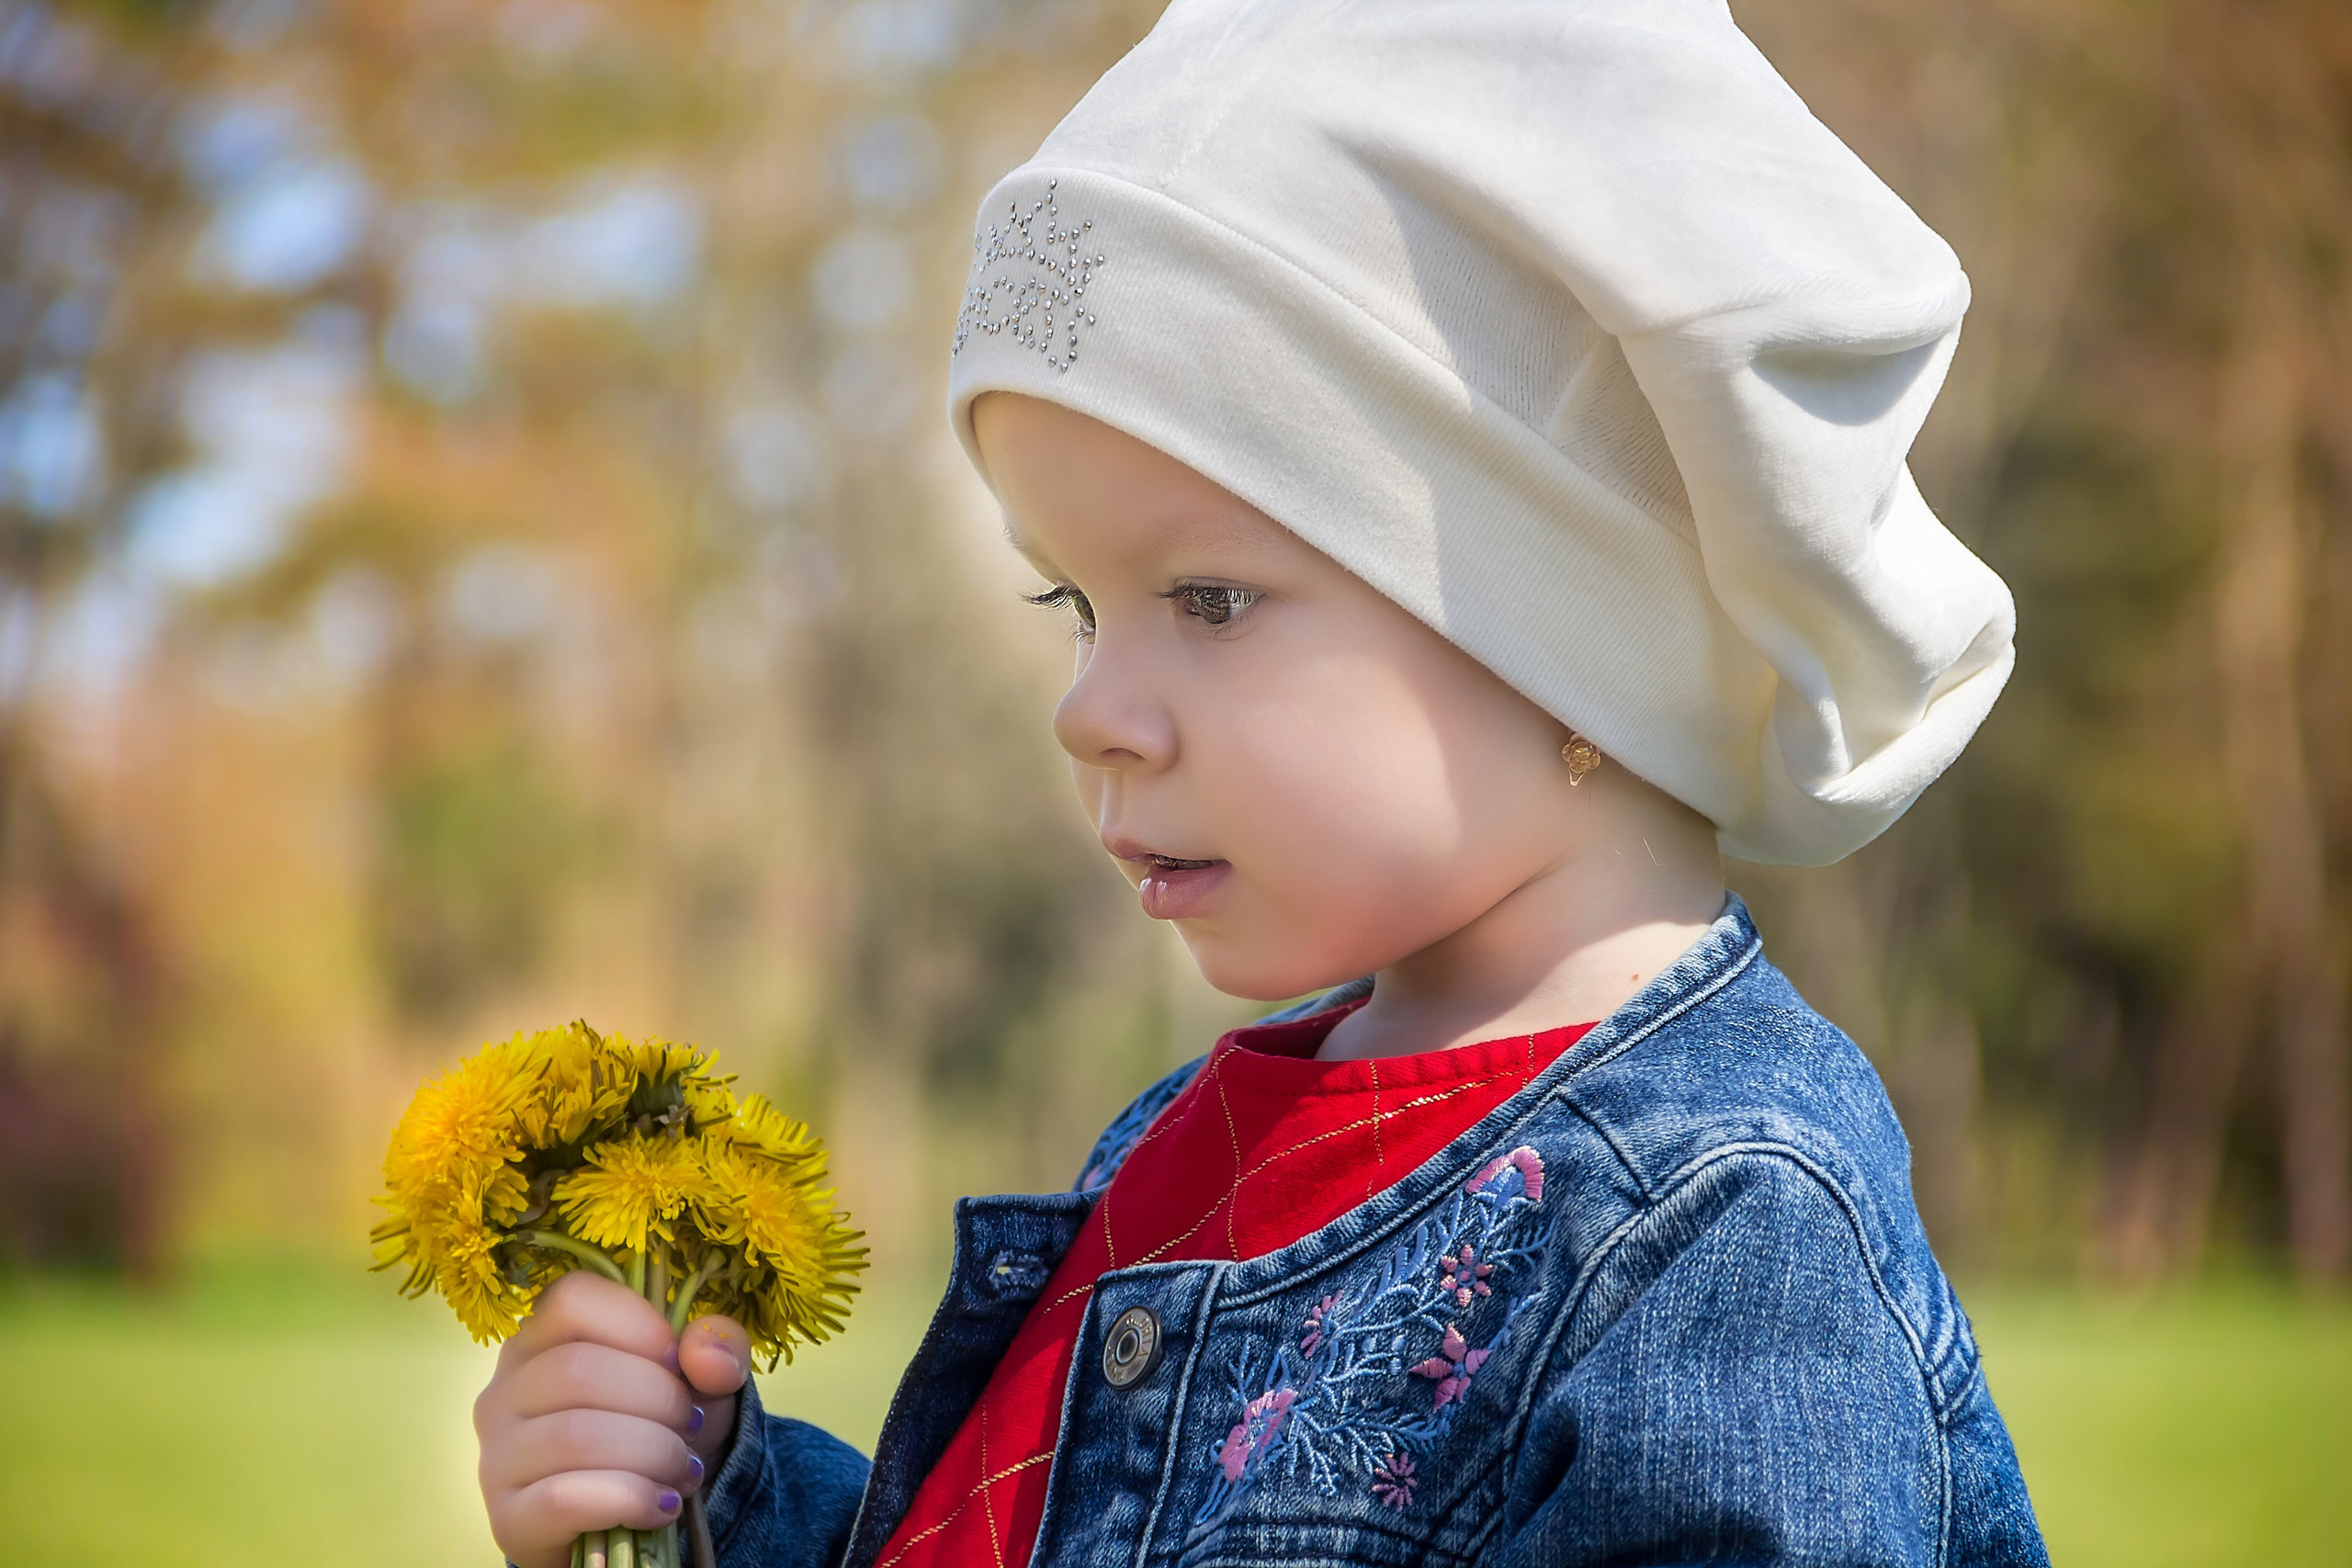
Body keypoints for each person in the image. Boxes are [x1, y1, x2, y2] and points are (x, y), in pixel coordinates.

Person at [470, 0, 2049, 1563]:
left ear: (1573, 642)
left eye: (1208, 600)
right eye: (1076, 607)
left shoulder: (1709, 1234)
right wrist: (700, 1499)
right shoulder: (1193, 1145)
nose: (1092, 710)